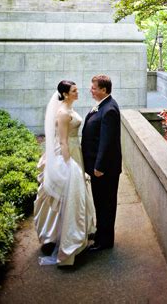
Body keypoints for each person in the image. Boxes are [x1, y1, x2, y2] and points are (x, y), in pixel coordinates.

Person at [34, 80, 95, 266]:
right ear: (66, 93)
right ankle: (54, 236)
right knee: (64, 194)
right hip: (67, 155)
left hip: (76, 151)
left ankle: (76, 232)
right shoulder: (62, 113)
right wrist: (68, 165)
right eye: (74, 90)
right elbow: (62, 141)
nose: (78, 92)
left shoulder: (69, 108)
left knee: (75, 194)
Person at [81, 74, 122, 251]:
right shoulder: (102, 105)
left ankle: (105, 242)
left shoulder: (110, 109)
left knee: (106, 205)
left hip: (104, 170)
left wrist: (99, 166)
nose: (91, 90)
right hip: (99, 168)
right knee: (100, 203)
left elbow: (107, 142)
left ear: (103, 90)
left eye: (94, 87)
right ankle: (100, 234)